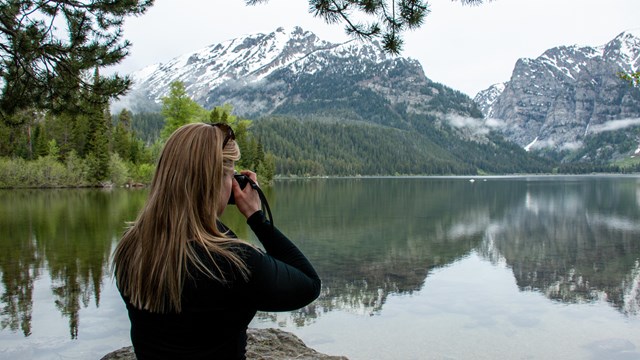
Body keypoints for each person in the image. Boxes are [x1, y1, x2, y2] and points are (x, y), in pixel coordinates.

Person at [112, 122, 321, 359]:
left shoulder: (131, 248)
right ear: (213, 182)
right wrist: (256, 217)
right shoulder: (233, 262)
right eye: (230, 176)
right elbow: (309, 284)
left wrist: (207, 213)